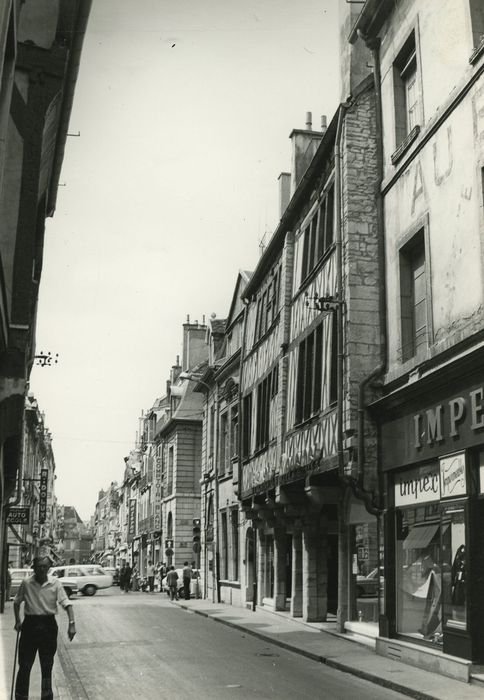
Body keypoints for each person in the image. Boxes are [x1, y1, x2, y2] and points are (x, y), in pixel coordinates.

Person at [13, 555, 76, 700]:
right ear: (33, 568)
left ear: (49, 568)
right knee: (25, 665)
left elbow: (66, 603)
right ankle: (21, 696)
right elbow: (17, 602)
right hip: (30, 625)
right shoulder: (26, 583)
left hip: (48, 626)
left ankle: (46, 696)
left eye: (45, 566)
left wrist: (72, 624)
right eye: (39, 566)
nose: (42, 569)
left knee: (47, 665)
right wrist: (18, 621)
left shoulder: (56, 583)